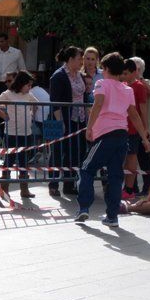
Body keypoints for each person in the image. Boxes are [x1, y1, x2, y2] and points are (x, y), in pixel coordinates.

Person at [75, 52, 150, 225]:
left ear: (107, 68)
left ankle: (84, 208)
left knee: (87, 169)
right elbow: (134, 115)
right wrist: (144, 138)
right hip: (122, 136)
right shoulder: (127, 89)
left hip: (104, 135)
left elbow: (98, 103)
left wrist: (90, 127)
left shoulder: (102, 83)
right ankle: (112, 216)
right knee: (116, 176)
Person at [0, 70, 39, 199]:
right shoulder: (8, 94)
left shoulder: (28, 95)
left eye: (30, 85)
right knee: (9, 160)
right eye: (28, 85)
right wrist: (4, 115)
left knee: (24, 161)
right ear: (20, 83)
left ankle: (24, 189)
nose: (30, 88)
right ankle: (4, 188)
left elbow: (37, 104)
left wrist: (32, 114)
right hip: (12, 133)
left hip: (26, 133)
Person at [48, 46, 87, 198]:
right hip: (59, 119)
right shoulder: (58, 76)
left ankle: (69, 184)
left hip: (78, 119)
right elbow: (55, 101)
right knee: (56, 152)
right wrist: (61, 122)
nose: (81, 62)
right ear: (70, 59)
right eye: (79, 59)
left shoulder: (80, 75)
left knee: (75, 152)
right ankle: (53, 184)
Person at [122, 59, 149, 200]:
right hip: (123, 127)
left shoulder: (139, 87)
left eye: (126, 73)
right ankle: (125, 187)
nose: (124, 76)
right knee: (124, 159)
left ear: (134, 72)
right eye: (123, 73)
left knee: (132, 157)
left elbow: (143, 109)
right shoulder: (123, 85)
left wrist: (145, 128)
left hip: (134, 128)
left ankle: (129, 189)